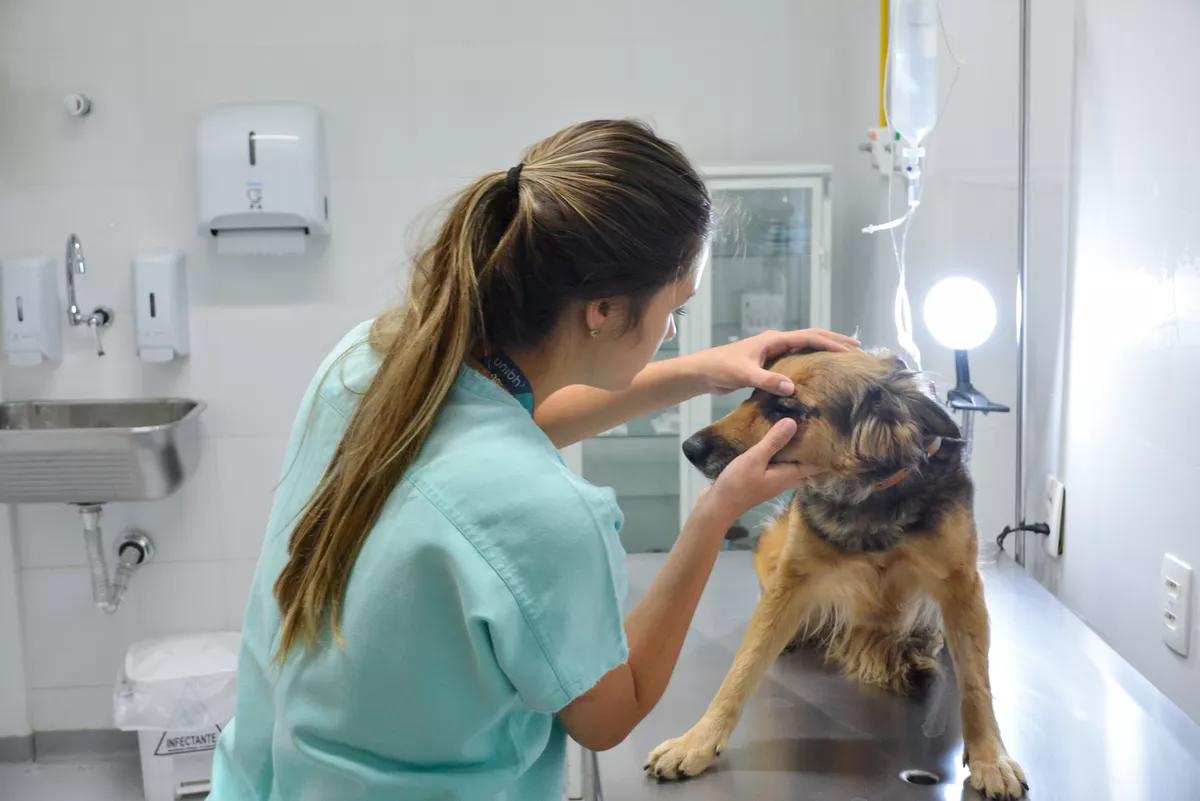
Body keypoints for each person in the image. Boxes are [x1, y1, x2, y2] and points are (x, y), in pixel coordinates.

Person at [209, 119, 857, 801]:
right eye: (675, 310)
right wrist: (718, 510)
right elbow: (612, 711)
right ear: (604, 310)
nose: (671, 332)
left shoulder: (365, 362)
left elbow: (504, 426)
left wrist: (700, 372)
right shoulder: (546, 514)